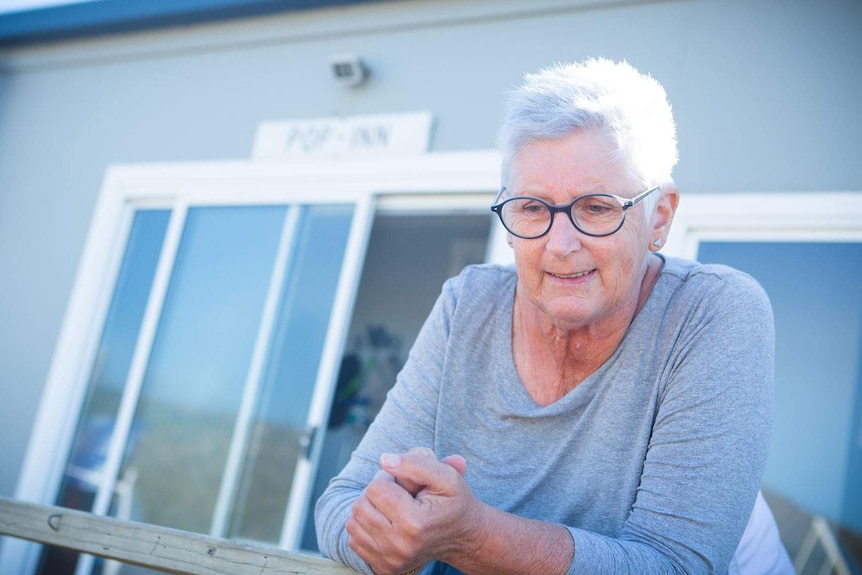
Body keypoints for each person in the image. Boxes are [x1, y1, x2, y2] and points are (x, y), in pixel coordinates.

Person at [315, 58, 794, 575]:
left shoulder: (712, 313)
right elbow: (343, 502)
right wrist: (388, 539)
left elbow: (676, 566)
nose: (560, 245)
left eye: (596, 208)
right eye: (532, 208)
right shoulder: (469, 304)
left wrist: (470, 536)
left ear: (659, 218)